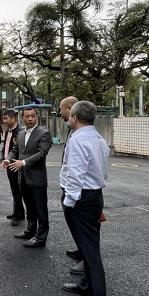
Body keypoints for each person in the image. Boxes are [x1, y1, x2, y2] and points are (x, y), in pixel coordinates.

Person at [60, 101, 109, 296]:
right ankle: (86, 285)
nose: (68, 119)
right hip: (95, 196)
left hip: (81, 199)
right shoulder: (98, 138)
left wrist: (69, 202)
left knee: (90, 253)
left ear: (74, 117)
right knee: (90, 246)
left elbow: (75, 174)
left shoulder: (77, 139)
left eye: (70, 115)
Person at [1, 107, 52, 247]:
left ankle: (41, 238)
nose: (30, 119)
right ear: (22, 118)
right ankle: (30, 231)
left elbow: (41, 153)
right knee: (29, 207)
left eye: (33, 116)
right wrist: (8, 159)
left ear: (37, 117)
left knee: (41, 209)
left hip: (37, 178)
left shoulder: (44, 133)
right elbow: (15, 150)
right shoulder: (21, 133)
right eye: (27, 116)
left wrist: (23, 162)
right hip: (23, 177)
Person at [59, 96, 85, 275]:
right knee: (75, 223)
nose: (60, 112)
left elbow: (78, 168)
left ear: (70, 109)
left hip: (78, 190)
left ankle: (86, 258)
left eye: (61, 109)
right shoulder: (72, 129)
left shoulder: (81, 133)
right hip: (69, 185)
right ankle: (82, 249)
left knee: (81, 223)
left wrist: (70, 196)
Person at [0, 110, 25, 226]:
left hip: (15, 165)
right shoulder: (8, 131)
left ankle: (17, 215)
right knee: (14, 189)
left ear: (13, 118)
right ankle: (20, 212)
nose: (4, 121)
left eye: (6, 118)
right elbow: (5, 146)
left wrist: (11, 160)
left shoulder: (20, 132)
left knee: (17, 191)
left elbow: (18, 150)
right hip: (8, 164)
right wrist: (3, 158)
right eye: (3, 118)